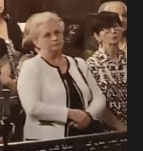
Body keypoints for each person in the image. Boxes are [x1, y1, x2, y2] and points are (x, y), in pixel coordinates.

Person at [18, 12, 106, 140]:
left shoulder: (79, 64)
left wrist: (88, 116)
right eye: (47, 35)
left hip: (84, 135)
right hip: (46, 140)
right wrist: (70, 114)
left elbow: (99, 96)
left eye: (57, 32)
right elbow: (32, 107)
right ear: (36, 42)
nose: (55, 38)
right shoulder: (31, 67)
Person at [85, 10, 127, 129]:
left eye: (116, 27)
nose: (113, 31)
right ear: (97, 36)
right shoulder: (91, 64)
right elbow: (95, 102)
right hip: (109, 129)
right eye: (107, 29)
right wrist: (121, 127)